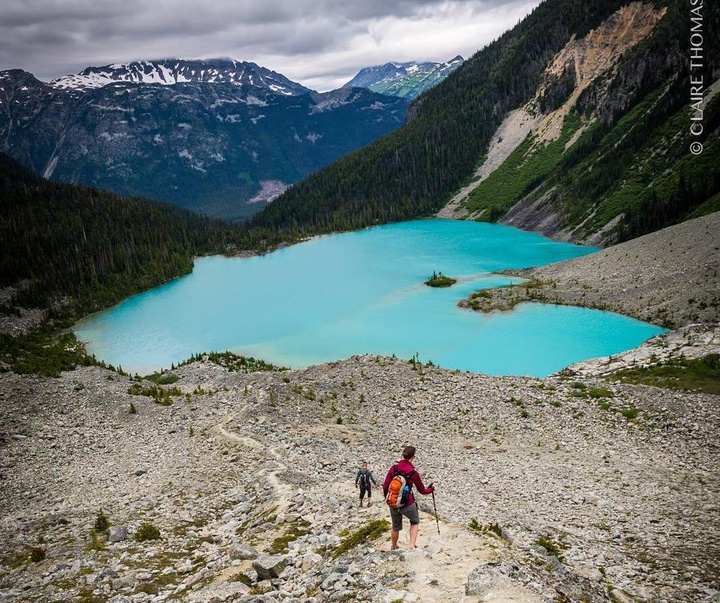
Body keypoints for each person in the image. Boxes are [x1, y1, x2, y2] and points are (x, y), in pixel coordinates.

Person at [382, 445, 434, 550]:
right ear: (413, 457)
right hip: (408, 503)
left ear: (403, 455)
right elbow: (422, 491)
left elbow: (385, 485)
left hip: (393, 502)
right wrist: (431, 489)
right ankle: (411, 545)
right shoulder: (413, 473)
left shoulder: (394, 468)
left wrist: (388, 498)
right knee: (414, 521)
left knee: (395, 526)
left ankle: (394, 545)